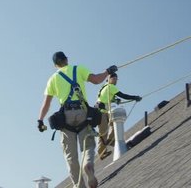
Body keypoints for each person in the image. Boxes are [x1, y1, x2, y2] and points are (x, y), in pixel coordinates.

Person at [38, 51, 118, 188]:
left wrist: (40, 120)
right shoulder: (78, 69)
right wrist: (108, 71)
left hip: (66, 117)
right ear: (66, 60)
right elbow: (97, 80)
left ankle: (79, 185)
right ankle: (88, 164)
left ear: (55, 65)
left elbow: (46, 103)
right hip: (83, 114)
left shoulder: (53, 79)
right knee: (88, 145)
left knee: (71, 157)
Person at [95, 72, 142, 160]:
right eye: (114, 79)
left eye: (116, 79)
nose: (116, 81)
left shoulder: (104, 87)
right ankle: (101, 152)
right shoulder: (110, 87)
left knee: (114, 125)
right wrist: (135, 97)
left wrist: (115, 100)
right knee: (103, 131)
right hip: (101, 112)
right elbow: (123, 95)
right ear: (109, 79)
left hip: (104, 111)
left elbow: (107, 98)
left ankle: (111, 140)